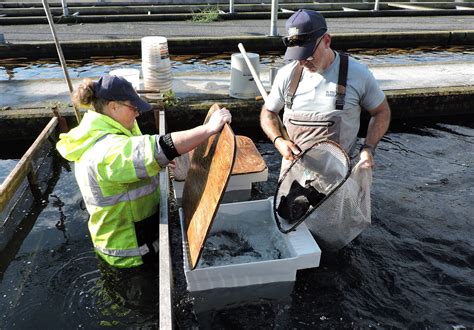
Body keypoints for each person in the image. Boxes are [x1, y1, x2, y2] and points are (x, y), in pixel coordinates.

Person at [56, 74, 231, 268]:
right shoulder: (106, 150)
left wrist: (156, 164)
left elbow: (135, 161)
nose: (138, 114)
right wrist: (208, 129)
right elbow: (158, 147)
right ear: (113, 106)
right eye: (134, 108)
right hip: (129, 255)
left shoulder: (99, 134)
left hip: (131, 240)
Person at [260, 9, 390, 165]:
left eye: (308, 54)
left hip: (340, 175)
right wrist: (279, 141)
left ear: (327, 41)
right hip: (294, 170)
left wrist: (368, 148)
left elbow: (381, 112)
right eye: (297, 56)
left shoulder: (358, 74)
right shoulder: (286, 75)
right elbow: (268, 112)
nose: (302, 62)